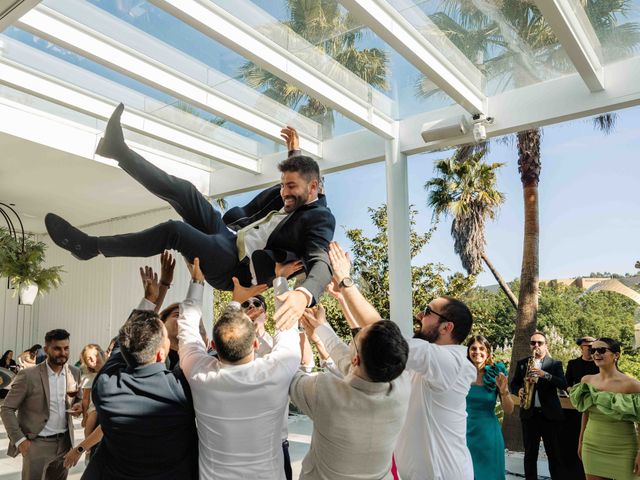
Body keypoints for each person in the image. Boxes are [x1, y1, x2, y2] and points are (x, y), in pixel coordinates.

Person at [45, 103, 336, 325]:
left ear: (313, 187)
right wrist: (293, 153)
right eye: (283, 185)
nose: (284, 192)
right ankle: (117, 150)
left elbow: (320, 260)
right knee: (185, 191)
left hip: (233, 268)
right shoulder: (298, 187)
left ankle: (90, 246)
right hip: (229, 236)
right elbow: (300, 172)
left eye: (291, 187)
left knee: (175, 231)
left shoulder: (319, 219)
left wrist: (304, 294)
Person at [327, 241, 477, 480]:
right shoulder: (428, 362)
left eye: (428, 311)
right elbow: (372, 337)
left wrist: (346, 281)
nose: (420, 314)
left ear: (447, 327)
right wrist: (343, 300)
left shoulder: (451, 362)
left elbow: (383, 334)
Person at [177, 257, 301, 479]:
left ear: (213, 346)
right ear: (254, 343)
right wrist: (280, 279)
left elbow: (186, 328)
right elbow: (287, 326)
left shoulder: (199, 374)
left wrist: (204, 285)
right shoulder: (278, 370)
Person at [84, 266, 198, 480]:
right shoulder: (182, 388)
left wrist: (149, 298)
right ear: (160, 354)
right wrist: (197, 284)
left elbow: (122, 341)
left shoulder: (105, 386)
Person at [290, 303, 410, 479]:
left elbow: (287, 374)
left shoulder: (324, 391)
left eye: (355, 338)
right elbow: (348, 362)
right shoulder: (402, 387)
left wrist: (290, 319)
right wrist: (321, 326)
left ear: (355, 359)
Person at [0, 329, 82, 480]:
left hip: (64, 444)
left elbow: (78, 400)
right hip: (36, 445)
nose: (63, 353)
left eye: (66, 348)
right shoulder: (28, 375)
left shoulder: (74, 372)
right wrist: (20, 441)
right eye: (57, 348)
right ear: (46, 350)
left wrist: (79, 406)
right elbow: (6, 408)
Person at [570, 338, 640, 480]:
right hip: (592, 445)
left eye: (601, 350)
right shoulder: (586, 381)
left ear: (616, 355)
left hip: (625, 448)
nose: (596, 353)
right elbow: (585, 412)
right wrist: (581, 441)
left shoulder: (632, 384)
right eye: (592, 350)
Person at [510, 331, 568, 480]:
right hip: (529, 415)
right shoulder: (523, 363)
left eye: (539, 343)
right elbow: (513, 384)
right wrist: (519, 390)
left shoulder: (555, 364)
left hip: (550, 416)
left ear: (545, 345)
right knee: (530, 455)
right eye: (533, 343)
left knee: (554, 455)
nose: (536, 346)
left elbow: (563, 384)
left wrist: (544, 374)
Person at [466, 335, 514, 480]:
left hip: (488, 434)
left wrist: (504, 391)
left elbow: (509, 409)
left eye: (482, 348)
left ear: (488, 352)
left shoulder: (495, 374)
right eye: (473, 348)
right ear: (468, 351)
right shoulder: (460, 372)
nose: (477, 352)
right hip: (463, 432)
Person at [564, 335, 599, 480]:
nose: (592, 350)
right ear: (581, 347)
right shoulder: (573, 364)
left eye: (594, 347)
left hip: (594, 409)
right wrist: (571, 390)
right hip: (574, 410)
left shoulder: (599, 364)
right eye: (589, 347)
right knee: (574, 443)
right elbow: (566, 383)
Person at [78, 344, 106, 457]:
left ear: (100, 352)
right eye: (89, 359)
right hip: (94, 406)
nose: (93, 359)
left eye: (95, 355)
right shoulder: (89, 377)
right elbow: (85, 398)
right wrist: (85, 416)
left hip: (107, 405)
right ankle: (87, 446)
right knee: (93, 416)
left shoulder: (112, 369)